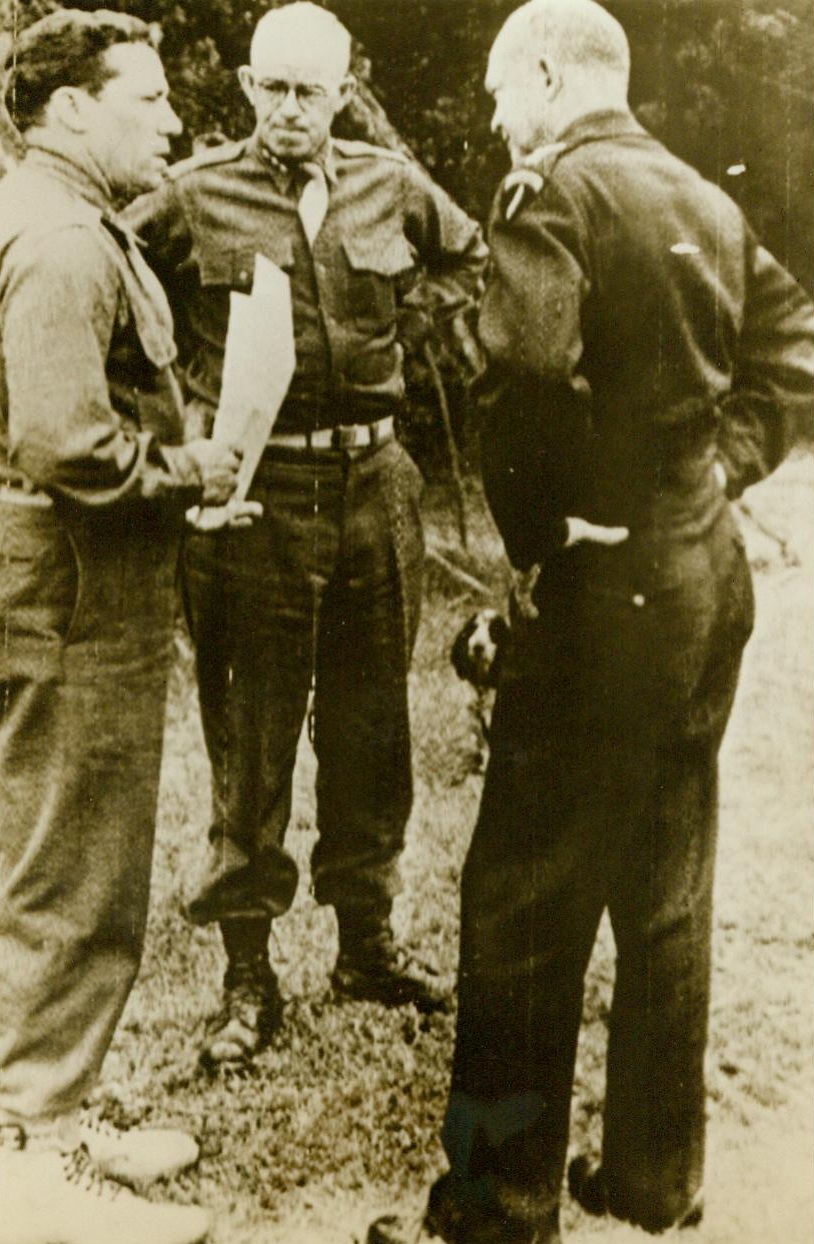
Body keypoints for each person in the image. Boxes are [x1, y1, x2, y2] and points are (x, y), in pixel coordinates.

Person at [369, 2, 814, 1243]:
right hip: (701, 575)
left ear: (551, 77)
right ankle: (653, 1179)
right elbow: (795, 345)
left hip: (606, 592)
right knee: (666, 881)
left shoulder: (551, 194)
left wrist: (552, 532)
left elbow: (519, 377)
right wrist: (714, 464)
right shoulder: (702, 200)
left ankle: (492, 1206)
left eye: (504, 94)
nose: (501, 118)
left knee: (519, 895)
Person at [127, 1, 488, 1069]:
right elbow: (112, 289)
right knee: (252, 733)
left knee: (374, 726)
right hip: (255, 495)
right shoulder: (193, 195)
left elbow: (470, 261)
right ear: (245, 88)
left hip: (376, 483)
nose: (289, 110)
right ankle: (247, 970)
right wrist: (170, 413)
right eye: (271, 88)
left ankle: (366, 942)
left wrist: (410, 328)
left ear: (344, 88)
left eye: (310, 90)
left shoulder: (388, 182)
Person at [0, 11, 248, 1244]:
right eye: (146, 99)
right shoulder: (59, 242)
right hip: (76, 585)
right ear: (68, 109)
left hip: (81, 580)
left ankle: (56, 1110)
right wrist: (186, 469)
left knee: (72, 852)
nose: (174, 120)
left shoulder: (70, 223)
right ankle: (37, 1157)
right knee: (71, 864)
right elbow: (62, 442)